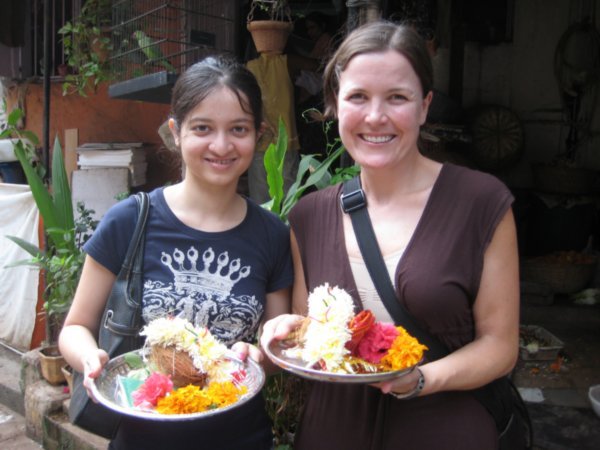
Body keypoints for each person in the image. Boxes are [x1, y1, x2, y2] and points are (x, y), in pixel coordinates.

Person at [261, 21, 520, 449]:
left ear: (424, 106)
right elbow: (315, 333)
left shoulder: (481, 203)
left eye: (397, 97)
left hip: (445, 429)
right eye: (358, 97)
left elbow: (500, 344)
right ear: (335, 106)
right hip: (333, 431)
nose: (375, 116)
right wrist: (288, 327)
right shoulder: (309, 216)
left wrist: (421, 379)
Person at [59, 55, 293, 450]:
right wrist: (90, 357)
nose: (221, 145)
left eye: (238, 129)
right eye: (202, 128)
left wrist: (258, 355)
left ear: (258, 134)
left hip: (240, 437)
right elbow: (74, 327)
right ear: (176, 131)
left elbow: (275, 345)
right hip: (143, 435)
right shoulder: (129, 220)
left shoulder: (273, 235)